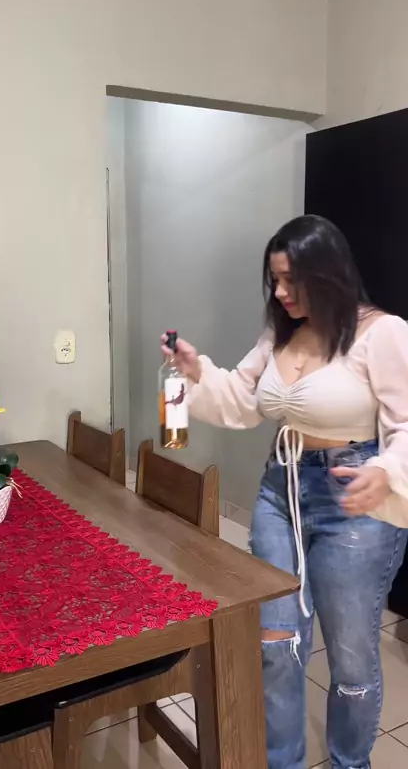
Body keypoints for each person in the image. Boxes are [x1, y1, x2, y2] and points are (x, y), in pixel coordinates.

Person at [162, 215, 408, 769]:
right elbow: (244, 400)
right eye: (275, 279)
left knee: (350, 658)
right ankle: (283, 762)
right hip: (282, 491)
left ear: (329, 273)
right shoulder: (281, 333)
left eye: (291, 279)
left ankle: (350, 762)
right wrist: (194, 371)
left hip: (354, 497)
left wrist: (389, 470)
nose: (279, 292)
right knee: (274, 642)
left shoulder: (383, 333)